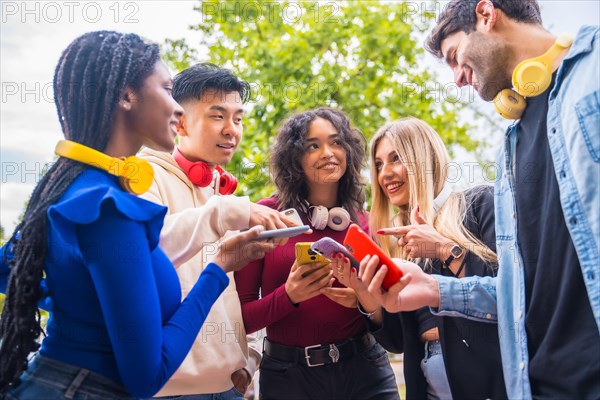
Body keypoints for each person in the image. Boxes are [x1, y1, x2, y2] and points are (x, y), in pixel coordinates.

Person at [0, 31, 276, 399]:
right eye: (165, 89)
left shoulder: (75, 183)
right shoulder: (109, 206)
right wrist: (217, 269)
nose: (177, 110)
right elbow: (148, 375)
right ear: (127, 96)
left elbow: (12, 270)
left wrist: (81, 307)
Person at [362, 2, 599, 399]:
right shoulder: (511, 147)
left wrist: (448, 251)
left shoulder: (592, 75)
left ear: (486, 14)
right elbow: (517, 294)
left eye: (455, 56)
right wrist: (434, 288)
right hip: (539, 384)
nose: (455, 79)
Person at [137, 63, 295, 399]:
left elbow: (240, 291)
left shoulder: (220, 195)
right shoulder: (142, 176)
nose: (231, 130)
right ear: (179, 121)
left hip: (229, 388)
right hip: (168, 390)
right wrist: (223, 212)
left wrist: (249, 357)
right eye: (217, 115)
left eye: (238, 118)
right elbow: (147, 252)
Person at [330, 117, 506, 399]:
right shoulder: (396, 241)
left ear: (424, 159)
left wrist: (445, 250)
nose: (384, 173)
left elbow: (508, 297)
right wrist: (364, 292)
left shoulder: (480, 204)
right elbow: (397, 341)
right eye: (378, 164)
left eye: (395, 158)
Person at [234, 107, 399, 400]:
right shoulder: (267, 216)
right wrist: (290, 296)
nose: (328, 153)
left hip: (366, 371)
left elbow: (387, 319)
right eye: (313, 145)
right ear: (295, 158)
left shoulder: (366, 222)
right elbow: (242, 319)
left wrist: (365, 300)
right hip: (289, 379)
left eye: (336, 142)